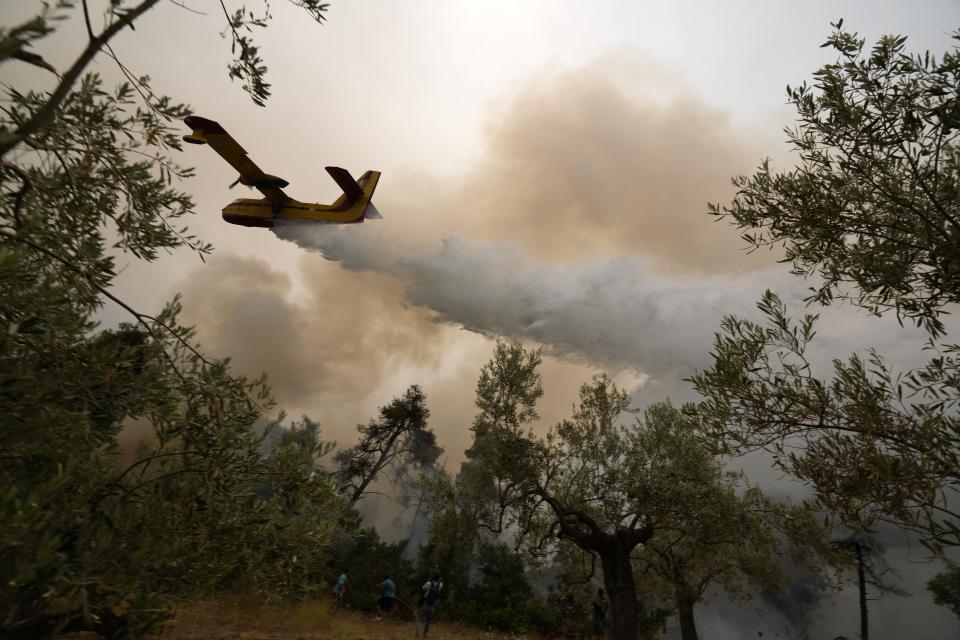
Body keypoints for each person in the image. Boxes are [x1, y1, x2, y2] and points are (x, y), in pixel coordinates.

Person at [415, 573, 443, 638]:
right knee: (428, 621)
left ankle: (417, 633)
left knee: (418, 618)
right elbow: (439, 591)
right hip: (433, 605)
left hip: (426, 603)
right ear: (439, 578)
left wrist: (429, 580)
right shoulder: (441, 585)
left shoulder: (429, 583)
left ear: (432, 577)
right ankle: (425, 634)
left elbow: (423, 588)